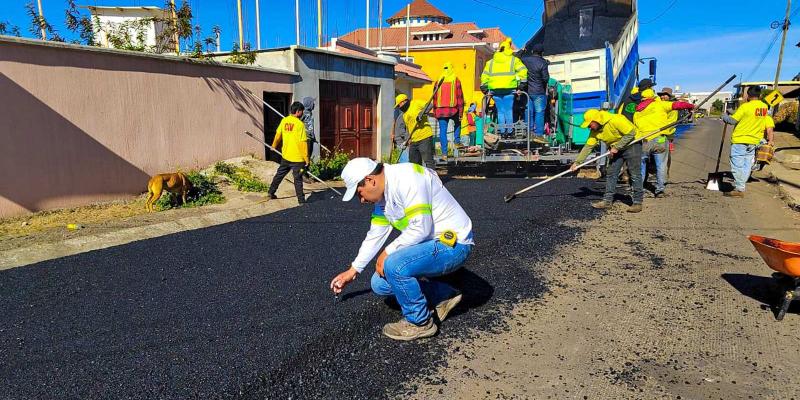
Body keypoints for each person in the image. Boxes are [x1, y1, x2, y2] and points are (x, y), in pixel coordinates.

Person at [329, 158, 474, 341]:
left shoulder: (407, 179)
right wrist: (353, 270)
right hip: (429, 245)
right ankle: (443, 294)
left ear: (370, 180)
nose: (362, 199)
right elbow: (375, 234)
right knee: (379, 283)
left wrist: (388, 252)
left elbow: (421, 227)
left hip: (453, 245)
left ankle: (420, 323)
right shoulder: (384, 196)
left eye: (360, 193)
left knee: (393, 265)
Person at [570, 109, 644, 213]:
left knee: (634, 173)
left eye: (590, 124)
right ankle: (607, 201)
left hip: (632, 144)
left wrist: (617, 146)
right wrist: (577, 163)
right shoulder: (595, 131)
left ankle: (637, 202)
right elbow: (588, 146)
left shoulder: (616, 119)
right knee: (611, 173)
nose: (588, 127)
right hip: (616, 148)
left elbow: (631, 133)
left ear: (597, 120)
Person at [633, 88, 694, 197]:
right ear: (653, 97)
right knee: (661, 165)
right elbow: (678, 105)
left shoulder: (637, 111)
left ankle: (638, 190)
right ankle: (660, 190)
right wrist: (691, 107)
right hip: (659, 139)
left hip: (644, 140)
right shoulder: (660, 105)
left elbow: (635, 128)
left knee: (641, 166)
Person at [722, 86, 771, 197]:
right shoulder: (764, 107)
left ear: (748, 95)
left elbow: (731, 121)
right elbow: (750, 116)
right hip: (754, 141)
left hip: (740, 140)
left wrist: (724, 116)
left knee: (737, 165)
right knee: (746, 165)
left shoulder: (745, 106)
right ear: (760, 95)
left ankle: (739, 189)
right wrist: (733, 112)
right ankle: (741, 186)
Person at [480, 37, 528, 137]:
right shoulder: (513, 60)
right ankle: (510, 131)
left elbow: (484, 76)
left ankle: (502, 132)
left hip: (495, 90)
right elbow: (523, 71)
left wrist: (485, 89)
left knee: (500, 111)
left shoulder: (491, 62)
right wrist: (521, 86)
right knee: (508, 110)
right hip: (509, 89)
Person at [268, 101, 309, 204]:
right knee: (298, 180)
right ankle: (301, 201)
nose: (302, 114)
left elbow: (278, 135)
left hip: (286, 156)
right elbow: (303, 143)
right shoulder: (300, 124)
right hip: (297, 158)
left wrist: (274, 146)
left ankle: (271, 192)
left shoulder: (284, 121)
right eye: (302, 111)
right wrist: (306, 159)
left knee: (279, 175)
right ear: (298, 111)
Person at [433, 62, 465, 158]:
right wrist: (461, 112)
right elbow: (460, 97)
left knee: (442, 132)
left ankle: (444, 154)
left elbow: (434, 97)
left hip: (440, 110)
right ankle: (457, 141)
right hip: (453, 109)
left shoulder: (438, 81)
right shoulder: (455, 80)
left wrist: (435, 112)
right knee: (458, 123)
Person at [395, 94, 435, 167]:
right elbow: (408, 129)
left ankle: (432, 177)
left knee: (428, 160)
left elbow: (430, 105)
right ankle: (418, 177)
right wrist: (405, 142)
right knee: (413, 163)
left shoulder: (416, 103)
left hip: (425, 137)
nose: (399, 107)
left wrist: (421, 113)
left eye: (399, 105)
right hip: (414, 141)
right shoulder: (404, 115)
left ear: (403, 102)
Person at [520, 43, 549, 138]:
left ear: (532, 51)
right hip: (539, 92)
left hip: (527, 91)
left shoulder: (525, 60)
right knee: (539, 113)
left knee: (528, 112)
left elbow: (515, 58)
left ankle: (529, 133)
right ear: (542, 53)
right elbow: (546, 79)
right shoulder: (543, 62)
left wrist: (522, 51)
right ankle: (539, 135)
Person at [301, 97, 318, 182]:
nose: (314, 104)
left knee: (309, 157)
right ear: (309, 103)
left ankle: (306, 174)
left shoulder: (310, 113)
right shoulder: (303, 113)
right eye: (313, 103)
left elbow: (310, 127)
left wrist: (313, 137)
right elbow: (298, 123)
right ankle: (302, 175)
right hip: (305, 139)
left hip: (310, 138)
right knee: (305, 157)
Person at [392, 96, 410, 163]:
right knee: (406, 164)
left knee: (404, 163)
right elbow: (401, 131)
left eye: (399, 105)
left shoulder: (404, 115)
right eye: (398, 106)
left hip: (401, 142)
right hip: (402, 142)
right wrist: (408, 139)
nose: (399, 107)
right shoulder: (403, 116)